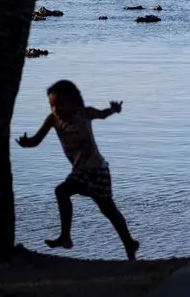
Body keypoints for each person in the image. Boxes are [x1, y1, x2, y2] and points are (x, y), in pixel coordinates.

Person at [16, 80, 139, 260]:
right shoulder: (53, 120)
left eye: (60, 104)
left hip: (97, 170)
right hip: (80, 171)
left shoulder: (84, 113)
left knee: (108, 210)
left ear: (73, 102)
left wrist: (114, 110)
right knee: (62, 192)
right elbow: (36, 140)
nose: (55, 108)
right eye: (51, 105)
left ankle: (129, 245)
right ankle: (66, 237)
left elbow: (103, 114)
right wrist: (27, 143)